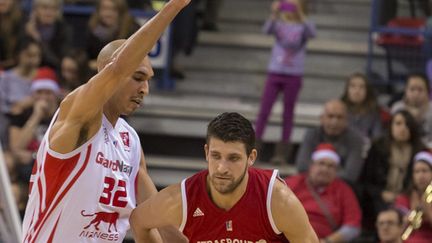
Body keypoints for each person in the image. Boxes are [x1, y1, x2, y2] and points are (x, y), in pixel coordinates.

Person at [21, 0, 191, 242]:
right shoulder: (77, 115)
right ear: (104, 75)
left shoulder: (130, 140)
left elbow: (155, 221)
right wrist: (173, 7)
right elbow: (118, 69)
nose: (145, 89)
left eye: (149, 81)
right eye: (138, 77)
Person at [130, 112, 319, 243]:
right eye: (216, 156)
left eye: (233, 158)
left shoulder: (278, 201)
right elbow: (138, 221)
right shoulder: (181, 199)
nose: (222, 168)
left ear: (251, 157)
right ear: (206, 152)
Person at [255, 0, 316, 164]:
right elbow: (266, 30)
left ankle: (281, 154)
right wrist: (274, 13)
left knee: (288, 114)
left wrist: (302, 15)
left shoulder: (304, 25)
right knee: (264, 112)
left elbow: (312, 33)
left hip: (293, 74)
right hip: (275, 72)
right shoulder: (279, 23)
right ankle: (254, 148)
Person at [361, 110, 426, 227]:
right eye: (398, 124)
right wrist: (381, 193)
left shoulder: (419, 151)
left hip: (409, 198)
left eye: (407, 125)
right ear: (390, 126)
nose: (403, 128)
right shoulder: (377, 148)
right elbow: (365, 181)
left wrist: (405, 196)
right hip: (379, 198)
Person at [286, 143, 362, 243]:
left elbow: (353, 226)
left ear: (336, 171)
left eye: (331, 166)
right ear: (311, 166)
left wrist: (327, 241)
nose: (325, 169)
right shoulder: (292, 183)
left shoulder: (344, 190)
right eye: (321, 163)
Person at [295, 99, 365, 184]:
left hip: (343, 187)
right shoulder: (312, 134)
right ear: (322, 118)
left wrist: (321, 175)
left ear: (347, 120)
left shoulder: (355, 139)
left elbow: (351, 175)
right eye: (330, 116)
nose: (334, 122)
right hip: (311, 184)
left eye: (340, 117)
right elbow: (302, 166)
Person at [394, 150, 432, 243]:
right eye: (417, 172)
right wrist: (405, 220)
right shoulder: (403, 198)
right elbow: (396, 228)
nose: (421, 176)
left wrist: (428, 211)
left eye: (424, 171)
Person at [390, 73, 432, 146]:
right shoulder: (397, 108)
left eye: (420, 90)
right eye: (412, 89)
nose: (416, 93)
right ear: (406, 90)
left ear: (427, 92)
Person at [340, 72, 382, 141]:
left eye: (362, 87)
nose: (357, 91)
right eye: (353, 86)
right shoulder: (339, 110)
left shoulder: (374, 113)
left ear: (367, 91)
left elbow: (377, 138)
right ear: (347, 90)